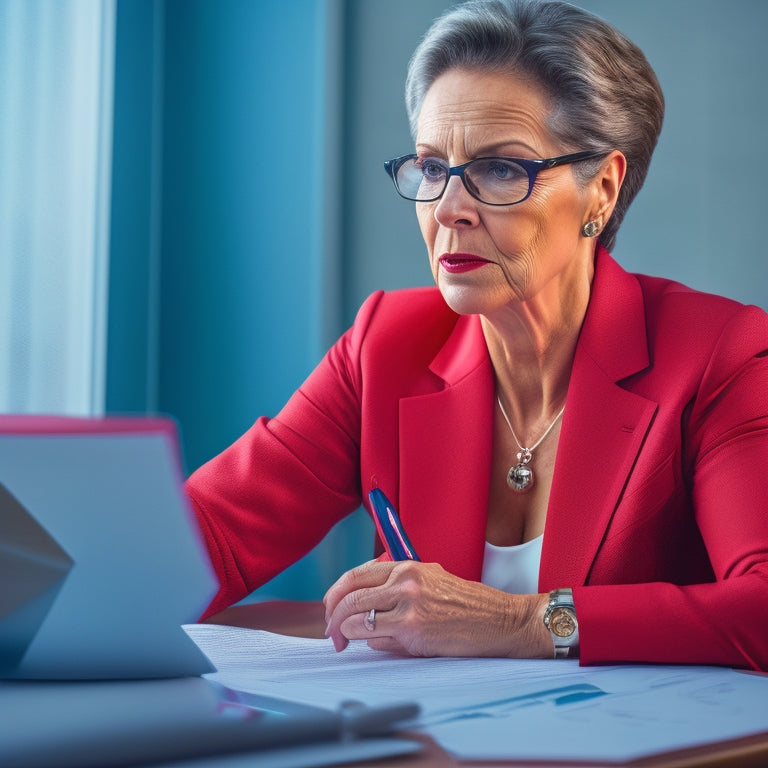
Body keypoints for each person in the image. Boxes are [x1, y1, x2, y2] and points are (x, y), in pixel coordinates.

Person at [185, 0, 768, 670]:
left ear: (602, 190)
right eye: (432, 168)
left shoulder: (717, 354)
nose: (449, 211)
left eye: (500, 169)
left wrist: (520, 621)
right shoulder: (385, 345)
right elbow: (201, 544)